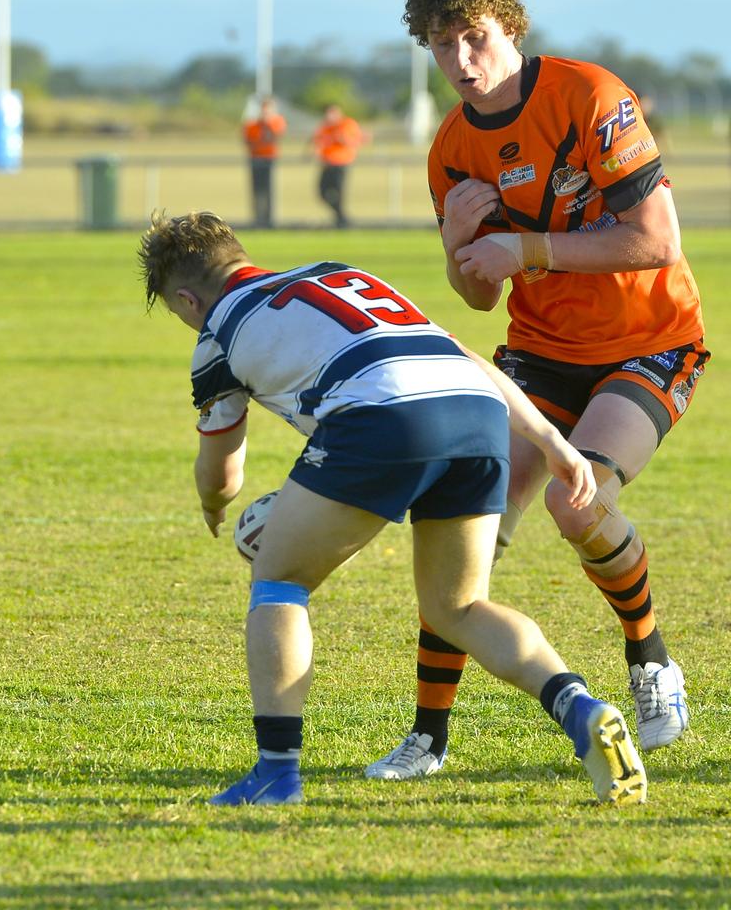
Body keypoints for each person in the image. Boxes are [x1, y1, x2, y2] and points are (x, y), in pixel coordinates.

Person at [137, 209, 648, 807]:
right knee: (460, 604)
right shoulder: (338, 274)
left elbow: (223, 472)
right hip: (476, 410)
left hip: (383, 416)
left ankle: (276, 774)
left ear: (185, 298)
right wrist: (551, 441)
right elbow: (461, 354)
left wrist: (214, 507)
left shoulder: (216, 333)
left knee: (278, 579)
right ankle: (581, 709)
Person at [364, 0, 709, 781]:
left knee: (578, 498)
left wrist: (526, 246)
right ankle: (428, 738)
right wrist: (457, 249)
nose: (461, 61)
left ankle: (651, 659)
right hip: (538, 353)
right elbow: (479, 294)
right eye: (443, 45)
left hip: (649, 340)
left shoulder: (590, 97)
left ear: (510, 26)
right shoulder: (451, 149)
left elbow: (655, 239)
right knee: (460, 518)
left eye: (474, 37)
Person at [311, 104, 366, 227]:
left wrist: (343, 139)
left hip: (341, 163)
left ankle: (341, 220)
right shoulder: (325, 127)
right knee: (322, 193)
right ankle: (341, 216)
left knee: (339, 193)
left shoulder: (347, 124)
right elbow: (318, 141)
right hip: (327, 164)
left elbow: (358, 140)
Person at [242, 97, 287, 228]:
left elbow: (276, 135)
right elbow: (248, 140)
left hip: (268, 158)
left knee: (268, 190)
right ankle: (258, 218)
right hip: (255, 158)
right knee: (257, 189)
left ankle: (268, 219)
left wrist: (267, 123)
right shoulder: (252, 125)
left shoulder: (276, 122)